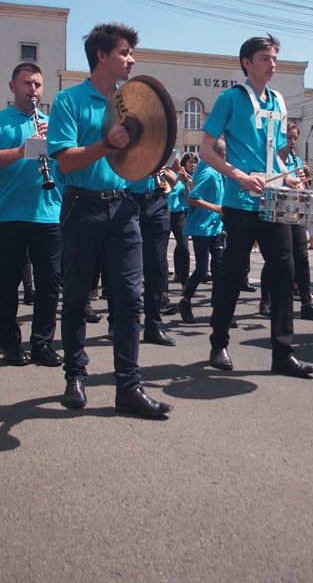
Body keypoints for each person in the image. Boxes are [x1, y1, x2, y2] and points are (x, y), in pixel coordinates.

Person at [46, 22, 172, 418]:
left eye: (132, 53)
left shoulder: (132, 101)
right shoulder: (68, 101)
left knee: (129, 299)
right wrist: (105, 144)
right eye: (124, 52)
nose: (131, 60)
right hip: (80, 206)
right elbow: (66, 161)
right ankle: (74, 376)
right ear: (102, 55)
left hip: (123, 210)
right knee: (77, 297)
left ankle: (129, 388)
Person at [198, 34, 313, 378]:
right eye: (265, 58)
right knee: (233, 273)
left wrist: (287, 177)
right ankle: (219, 343)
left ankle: (283, 353)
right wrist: (238, 175)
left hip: (273, 199)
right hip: (240, 201)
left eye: (274, 58)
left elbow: (275, 153)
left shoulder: (278, 100)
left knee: (284, 272)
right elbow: (205, 150)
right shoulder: (231, 98)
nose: (272, 64)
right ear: (247, 63)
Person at [0, 63, 64, 367]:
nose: (33, 90)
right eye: (27, 84)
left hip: (48, 214)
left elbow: (67, 165)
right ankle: (10, 343)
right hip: (9, 215)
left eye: (37, 84)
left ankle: (42, 343)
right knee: (7, 282)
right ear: (13, 87)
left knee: (49, 283)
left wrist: (55, 146)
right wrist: (22, 149)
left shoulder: (52, 123)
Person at [258, 121, 313, 321]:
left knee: (302, 257)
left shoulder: (296, 161)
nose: (292, 142)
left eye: (295, 138)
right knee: (275, 259)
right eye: (289, 137)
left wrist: (304, 180)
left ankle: (306, 303)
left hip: (295, 214)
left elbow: (302, 190)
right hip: (276, 213)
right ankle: (266, 300)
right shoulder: (271, 160)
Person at [177, 139, 226, 324]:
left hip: (216, 227)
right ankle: (185, 301)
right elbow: (193, 198)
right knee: (202, 270)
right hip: (201, 228)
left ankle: (218, 311)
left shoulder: (217, 171)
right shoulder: (208, 173)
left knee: (219, 270)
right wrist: (216, 208)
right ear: (221, 155)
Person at [128, 165, 177, 347]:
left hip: (157, 203)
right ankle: (117, 322)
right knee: (124, 268)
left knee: (156, 269)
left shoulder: (163, 150)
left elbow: (173, 180)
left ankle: (153, 326)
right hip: (130, 201)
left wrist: (164, 172)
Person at [169, 153, 196, 285]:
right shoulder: (165, 174)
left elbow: (187, 198)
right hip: (163, 212)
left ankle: (185, 283)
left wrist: (186, 183)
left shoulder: (182, 176)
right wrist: (176, 179)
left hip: (178, 213)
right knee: (159, 250)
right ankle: (162, 287)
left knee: (184, 247)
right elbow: (165, 191)